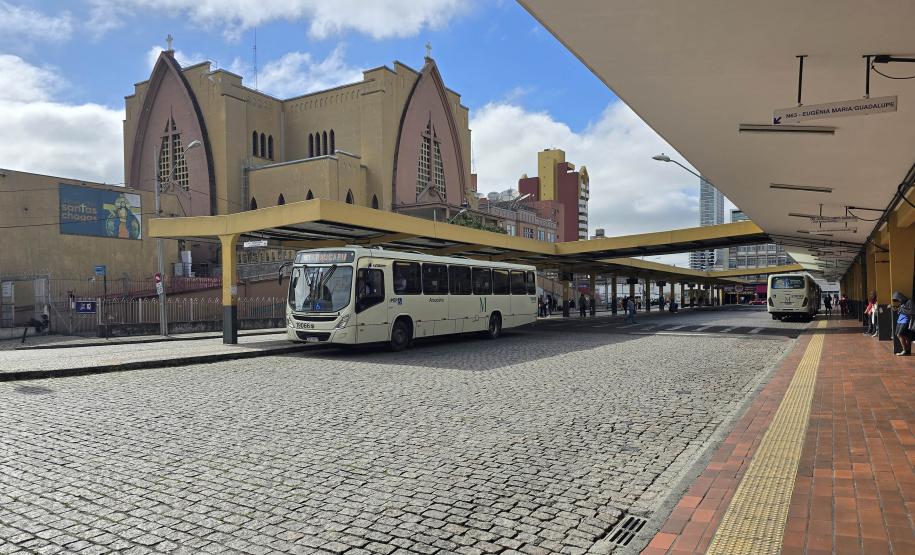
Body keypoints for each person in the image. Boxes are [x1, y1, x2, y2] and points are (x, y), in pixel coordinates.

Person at [892, 291, 913, 356]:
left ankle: (904, 350)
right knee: (901, 335)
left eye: (898, 299)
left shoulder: (909, 302)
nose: (898, 301)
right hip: (900, 320)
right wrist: (897, 309)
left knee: (899, 334)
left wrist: (901, 310)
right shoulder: (902, 303)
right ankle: (907, 350)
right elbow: (902, 310)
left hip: (905, 320)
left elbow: (912, 311)